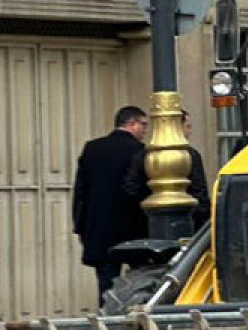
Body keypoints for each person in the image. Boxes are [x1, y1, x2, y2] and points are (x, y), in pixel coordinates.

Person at [74, 106, 151, 306]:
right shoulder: (139, 151)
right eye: (143, 125)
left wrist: (80, 227)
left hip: (100, 228)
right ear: (131, 124)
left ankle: (106, 323)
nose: (145, 130)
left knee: (106, 285)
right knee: (140, 281)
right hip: (133, 228)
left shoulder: (92, 149)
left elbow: (80, 192)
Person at [122, 112, 211, 232]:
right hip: (186, 220)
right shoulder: (189, 155)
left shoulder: (142, 155)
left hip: (147, 223)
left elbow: (131, 188)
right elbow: (199, 190)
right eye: (187, 126)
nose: (189, 132)